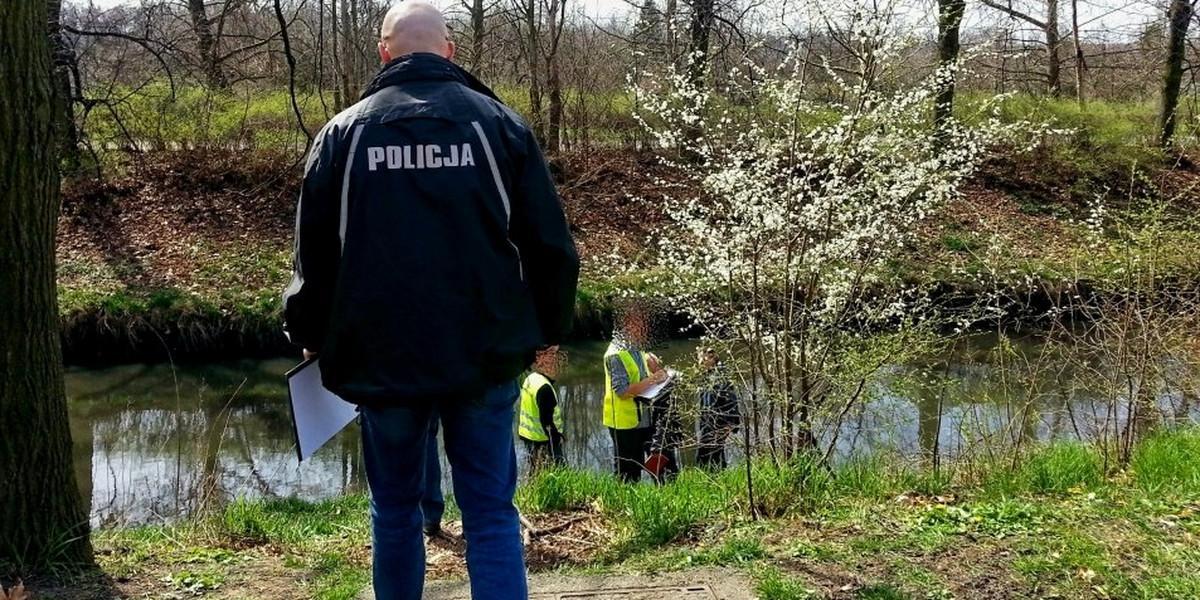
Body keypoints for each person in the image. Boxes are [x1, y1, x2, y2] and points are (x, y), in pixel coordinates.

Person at [281, 2, 579, 598]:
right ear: (449, 52)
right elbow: (550, 245)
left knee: (394, 514)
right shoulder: (501, 127)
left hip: (381, 358)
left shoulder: (343, 133)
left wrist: (308, 332)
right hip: (486, 355)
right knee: (491, 513)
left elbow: (313, 258)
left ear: (384, 51)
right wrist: (548, 327)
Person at [602, 310, 668, 483]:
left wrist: (656, 372)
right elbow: (622, 391)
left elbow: (641, 374)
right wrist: (653, 379)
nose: (643, 329)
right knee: (628, 471)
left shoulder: (636, 346)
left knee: (656, 460)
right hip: (624, 422)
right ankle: (624, 505)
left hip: (644, 417)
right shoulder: (614, 354)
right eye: (638, 325)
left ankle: (659, 494)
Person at [518, 347, 565, 469]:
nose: (556, 364)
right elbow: (546, 421)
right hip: (544, 441)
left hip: (529, 438)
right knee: (558, 472)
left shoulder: (531, 378)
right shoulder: (545, 388)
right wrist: (556, 439)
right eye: (553, 358)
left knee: (536, 473)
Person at [695, 347, 740, 470]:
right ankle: (716, 477)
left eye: (702, 359)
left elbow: (730, 399)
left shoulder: (721, 375)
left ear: (711, 358)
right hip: (709, 421)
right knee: (714, 454)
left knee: (705, 456)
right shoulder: (709, 374)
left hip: (718, 422)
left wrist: (730, 424)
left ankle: (712, 478)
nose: (700, 363)